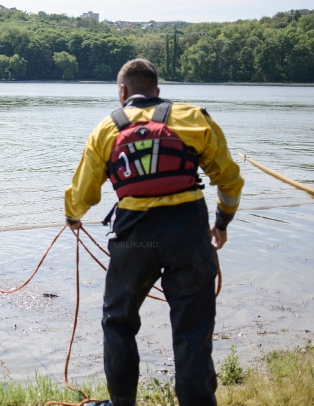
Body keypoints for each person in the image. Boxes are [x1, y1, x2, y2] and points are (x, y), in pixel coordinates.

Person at [64, 59, 244, 406]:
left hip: (135, 238)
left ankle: (122, 403)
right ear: (158, 92)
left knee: (118, 323)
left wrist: (72, 217)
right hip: (188, 234)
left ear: (122, 92)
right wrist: (222, 223)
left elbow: (83, 192)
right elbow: (229, 180)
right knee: (192, 329)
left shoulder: (106, 129)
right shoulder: (194, 118)